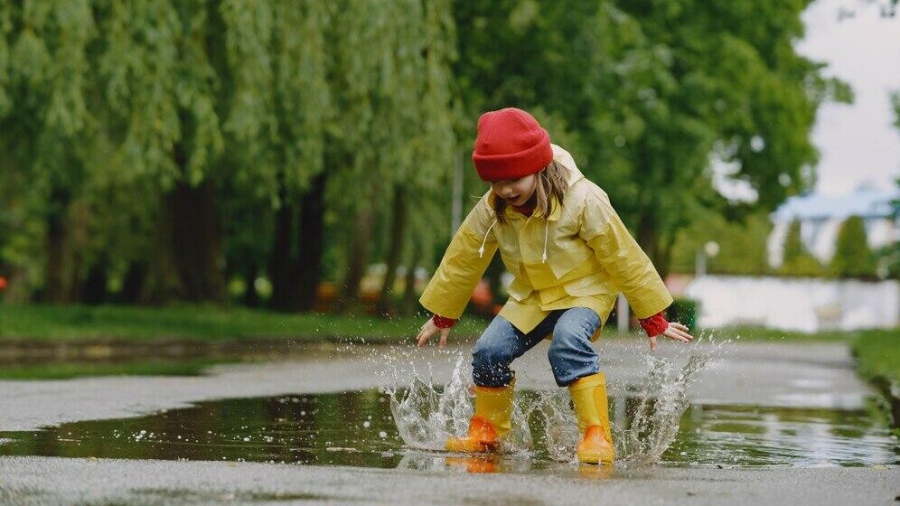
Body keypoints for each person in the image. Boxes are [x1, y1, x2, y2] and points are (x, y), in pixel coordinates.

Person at [414, 107, 694, 465]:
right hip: (532, 297)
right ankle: (488, 432)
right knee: (488, 351)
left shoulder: (583, 200)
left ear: (537, 166)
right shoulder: (495, 205)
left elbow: (622, 254)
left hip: (585, 293)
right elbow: (465, 255)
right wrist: (444, 313)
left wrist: (651, 314)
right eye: (495, 182)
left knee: (567, 342)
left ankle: (596, 435)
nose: (505, 189)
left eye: (513, 178)